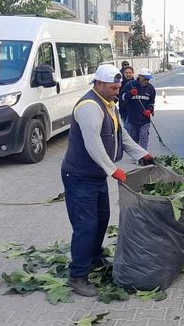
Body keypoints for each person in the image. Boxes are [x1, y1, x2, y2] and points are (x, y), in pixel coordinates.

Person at [61, 64, 155, 297]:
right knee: (86, 225)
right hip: (80, 176)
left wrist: (142, 154)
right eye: (113, 88)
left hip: (96, 176)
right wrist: (113, 170)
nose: (117, 91)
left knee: (102, 219)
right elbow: (93, 144)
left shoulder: (109, 105)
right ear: (99, 84)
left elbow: (121, 137)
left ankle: (93, 258)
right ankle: (78, 275)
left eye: (118, 87)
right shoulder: (89, 107)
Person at [121, 68, 156, 156]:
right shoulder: (130, 85)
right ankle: (136, 155)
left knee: (144, 138)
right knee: (133, 139)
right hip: (132, 118)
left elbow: (151, 103)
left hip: (145, 119)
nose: (147, 80)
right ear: (140, 76)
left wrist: (150, 110)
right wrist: (130, 93)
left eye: (148, 79)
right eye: (145, 78)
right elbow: (122, 97)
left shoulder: (151, 89)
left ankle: (143, 156)